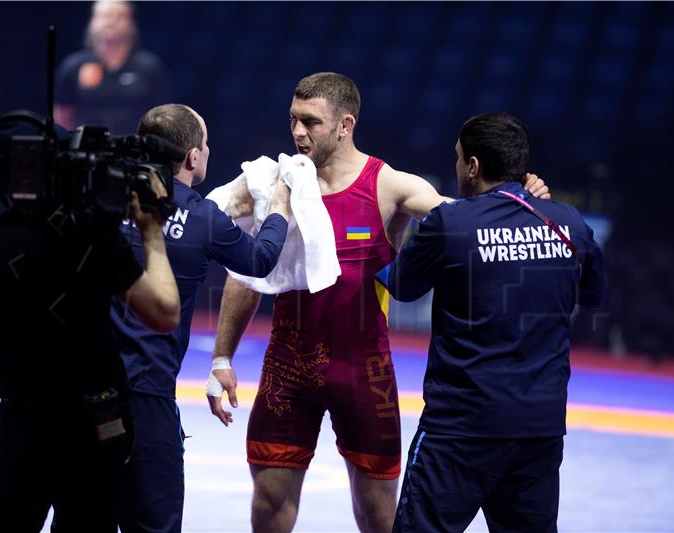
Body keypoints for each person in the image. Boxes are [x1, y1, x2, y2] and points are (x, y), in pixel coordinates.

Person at [205, 72, 551, 533]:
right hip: (288, 368)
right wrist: (221, 356)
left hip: (364, 371)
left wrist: (518, 202)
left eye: (311, 122)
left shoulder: (387, 185)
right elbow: (247, 273)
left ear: (346, 125)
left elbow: (462, 217)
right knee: (269, 505)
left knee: (378, 515)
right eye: (293, 120)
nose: (297, 133)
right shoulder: (275, 183)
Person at [385, 112, 606, 532]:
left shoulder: (451, 224)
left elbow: (401, 285)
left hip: (460, 432)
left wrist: (385, 226)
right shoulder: (570, 224)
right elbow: (593, 295)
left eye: (457, 159)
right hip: (538, 432)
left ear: (472, 166)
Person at [0, 120, 181, 532]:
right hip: (95, 425)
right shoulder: (91, 238)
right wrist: (151, 231)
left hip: (20, 423)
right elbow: (164, 313)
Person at [112, 103, 292, 533]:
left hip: (82, 394)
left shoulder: (103, 197)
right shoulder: (202, 217)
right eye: (205, 143)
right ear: (193, 157)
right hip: (146, 397)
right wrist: (279, 205)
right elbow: (260, 259)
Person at [54, 0, 171, 134]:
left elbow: (163, 118)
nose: (111, 21)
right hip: (87, 151)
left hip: (135, 150)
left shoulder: (151, 68)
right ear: (91, 23)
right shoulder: (73, 66)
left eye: (119, 16)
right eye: (104, 16)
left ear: (132, 24)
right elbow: (62, 116)